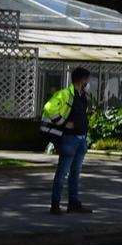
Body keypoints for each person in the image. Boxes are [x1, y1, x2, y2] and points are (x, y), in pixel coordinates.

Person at [42, 66, 94, 215]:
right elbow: (49, 107)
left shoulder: (82, 95)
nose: (88, 83)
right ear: (81, 80)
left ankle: (73, 203)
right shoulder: (65, 94)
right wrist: (63, 122)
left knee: (75, 173)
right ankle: (55, 204)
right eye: (87, 80)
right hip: (69, 139)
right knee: (63, 172)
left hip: (80, 139)